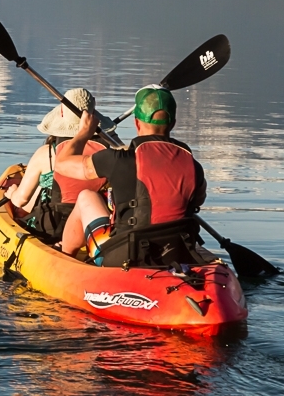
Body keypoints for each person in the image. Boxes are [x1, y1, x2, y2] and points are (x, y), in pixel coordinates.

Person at [55, 85, 208, 267]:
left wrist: (84, 133)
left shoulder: (117, 159)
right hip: (177, 251)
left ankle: (66, 259)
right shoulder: (194, 166)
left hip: (125, 255)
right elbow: (197, 201)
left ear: (136, 123)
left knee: (86, 197)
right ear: (173, 123)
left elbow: (62, 164)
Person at [5, 88, 116, 243]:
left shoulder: (47, 153)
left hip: (52, 227)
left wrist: (12, 194)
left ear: (61, 114)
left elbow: (21, 200)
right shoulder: (108, 152)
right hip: (91, 225)